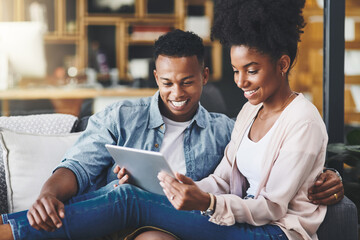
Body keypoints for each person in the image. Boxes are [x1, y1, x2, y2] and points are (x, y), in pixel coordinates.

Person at [0, 19, 342, 239]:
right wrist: (183, 188)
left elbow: (277, 195)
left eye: (250, 71)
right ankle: (12, 227)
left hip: (272, 232)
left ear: (204, 78)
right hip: (221, 220)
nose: (241, 83)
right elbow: (227, 179)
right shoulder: (247, 114)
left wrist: (326, 175)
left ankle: (9, 230)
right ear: (155, 79)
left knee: (129, 199)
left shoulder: (258, 123)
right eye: (237, 72)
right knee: (124, 195)